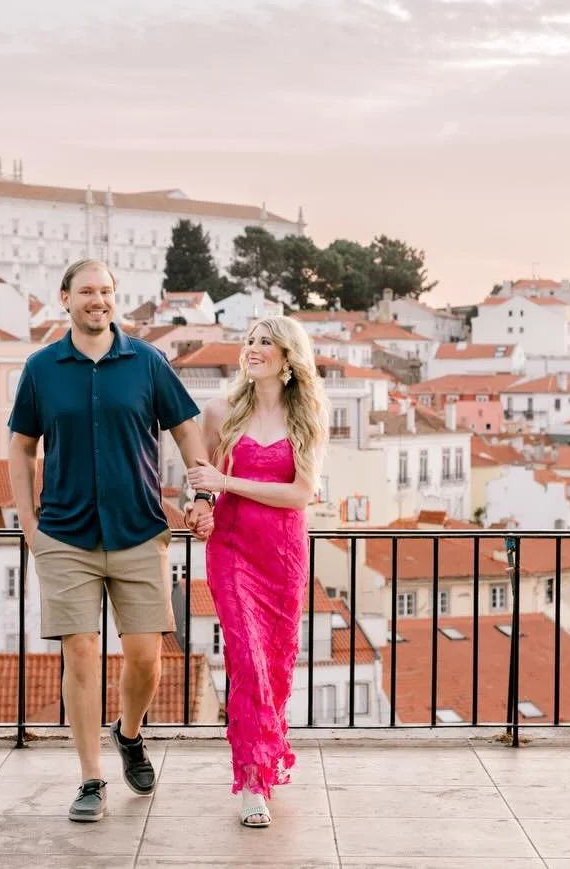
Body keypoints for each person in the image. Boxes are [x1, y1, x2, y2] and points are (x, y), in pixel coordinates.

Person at [8, 258, 215, 823]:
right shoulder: (41, 367)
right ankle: (91, 778)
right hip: (66, 535)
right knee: (80, 653)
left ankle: (129, 734)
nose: (97, 300)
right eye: (86, 292)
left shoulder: (146, 362)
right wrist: (29, 523)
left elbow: (188, 428)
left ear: (114, 298)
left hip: (139, 530)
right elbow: (21, 447)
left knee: (146, 658)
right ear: (65, 299)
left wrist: (203, 495)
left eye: (106, 291)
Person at [186, 315, 327, 828]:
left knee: (274, 666)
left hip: (283, 555)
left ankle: (264, 767)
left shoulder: (306, 417)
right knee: (246, 661)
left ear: (288, 359)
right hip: (231, 549)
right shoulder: (220, 410)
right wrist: (203, 502)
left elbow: (299, 495)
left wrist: (226, 482)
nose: (253, 348)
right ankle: (250, 783)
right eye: (250, 340)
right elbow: (203, 479)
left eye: (265, 342)